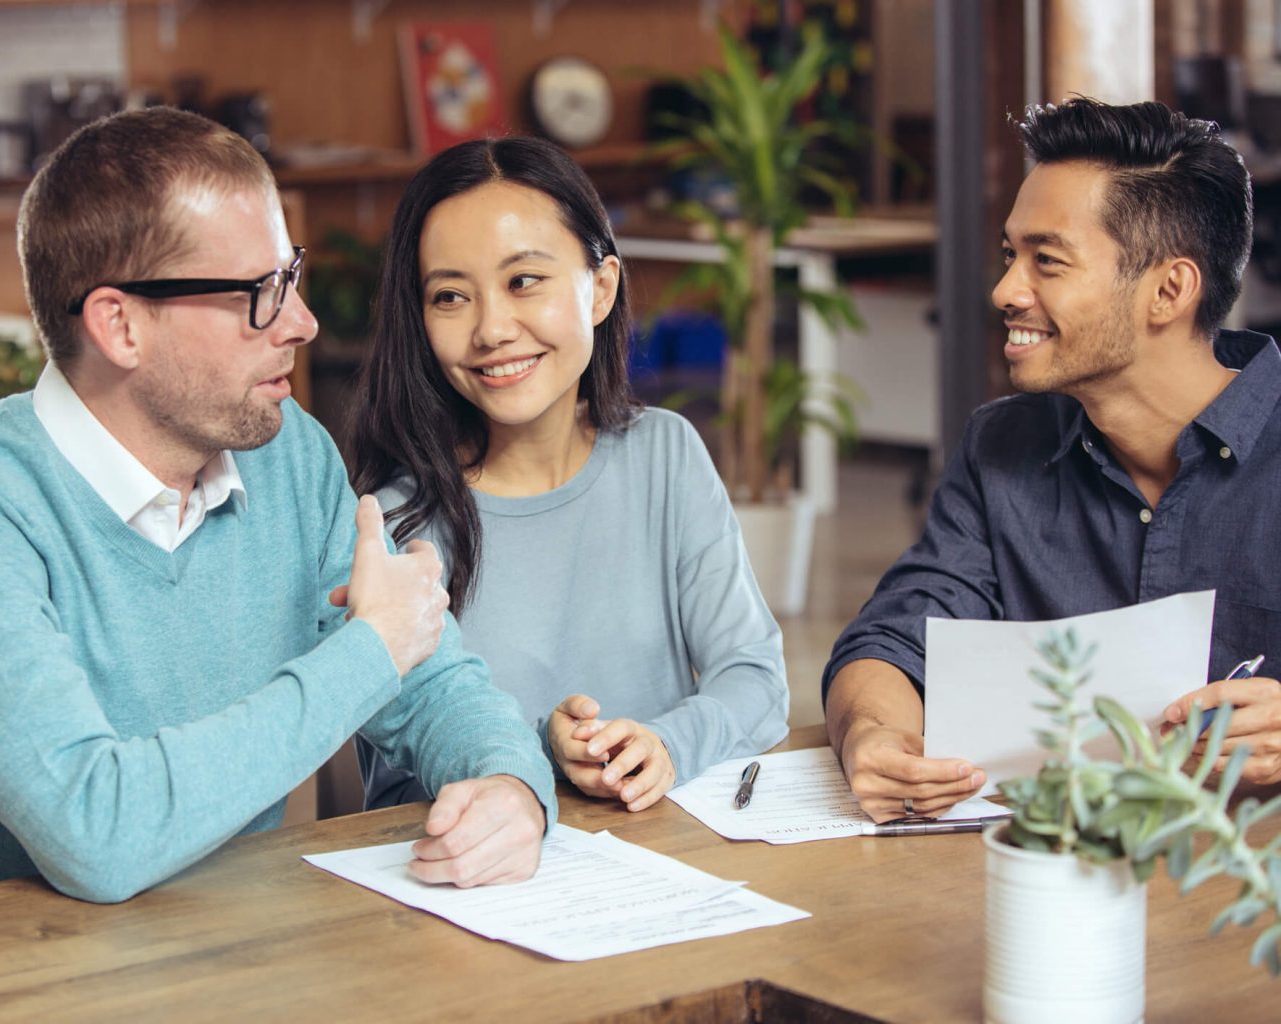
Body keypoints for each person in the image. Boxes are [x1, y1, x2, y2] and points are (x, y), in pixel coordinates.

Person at [0, 108, 556, 907]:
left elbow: (430, 683)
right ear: (119, 325)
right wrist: (370, 652)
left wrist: (511, 785)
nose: (302, 322)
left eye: (289, 276)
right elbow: (95, 834)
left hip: (205, 951)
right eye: (259, 293)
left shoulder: (288, 451)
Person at [823, 97, 1281, 822]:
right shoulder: (1002, 445)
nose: (1006, 291)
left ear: (1170, 290)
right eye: (1012, 256)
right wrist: (872, 736)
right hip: (1049, 877)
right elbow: (893, 637)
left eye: (1049, 262)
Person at [347, 136, 789, 815]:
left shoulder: (664, 456)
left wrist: (666, 744)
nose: (491, 328)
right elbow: (394, 786)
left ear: (601, 288)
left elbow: (755, 679)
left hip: (660, 860)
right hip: (477, 886)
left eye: (524, 281)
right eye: (450, 296)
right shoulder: (394, 518)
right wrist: (540, 750)